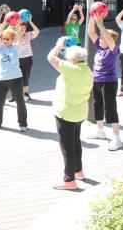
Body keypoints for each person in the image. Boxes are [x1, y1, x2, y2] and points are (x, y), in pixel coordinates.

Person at [47, 40, 93, 190]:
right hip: (79, 113)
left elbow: (51, 58)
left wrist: (59, 45)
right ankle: (79, 171)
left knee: (67, 148)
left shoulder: (70, 69)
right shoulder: (87, 70)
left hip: (66, 113)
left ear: (72, 60)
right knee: (75, 142)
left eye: (67, 58)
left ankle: (69, 181)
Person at [87, 13, 122, 151]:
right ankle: (100, 131)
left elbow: (111, 41)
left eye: (103, 37)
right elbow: (90, 32)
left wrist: (101, 24)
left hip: (109, 82)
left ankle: (117, 139)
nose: (100, 38)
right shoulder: (101, 48)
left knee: (110, 109)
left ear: (108, 40)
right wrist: (92, 19)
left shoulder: (113, 50)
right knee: (97, 105)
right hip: (96, 81)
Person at [0, 23, 27, 132]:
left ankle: (22, 124)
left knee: (20, 101)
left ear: (12, 39)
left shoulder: (16, 48)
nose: (5, 41)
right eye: (4, 39)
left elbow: (20, 38)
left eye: (7, 39)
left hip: (15, 79)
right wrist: (5, 22)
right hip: (0, 79)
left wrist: (16, 26)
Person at [14, 19, 40, 102]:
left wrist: (31, 22)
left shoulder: (28, 34)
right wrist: (16, 24)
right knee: (16, 77)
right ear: (17, 28)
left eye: (24, 28)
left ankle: (26, 94)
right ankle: (15, 95)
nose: (22, 29)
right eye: (21, 28)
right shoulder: (14, 35)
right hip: (16, 59)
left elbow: (37, 31)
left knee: (25, 77)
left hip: (27, 59)